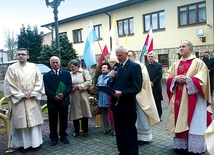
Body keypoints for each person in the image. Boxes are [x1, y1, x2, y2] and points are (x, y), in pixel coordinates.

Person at [165, 40, 212, 154]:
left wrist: (187, 80)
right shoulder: (176, 64)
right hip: (179, 99)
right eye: (180, 46)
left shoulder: (199, 63)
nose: (181, 48)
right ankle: (181, 146)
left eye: (183, 46)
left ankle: (194, 148)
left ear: (190, 49)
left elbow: (203, 80)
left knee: (194, 121)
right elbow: (168, 76)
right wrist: (175, 79)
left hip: (193, 99)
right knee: (178, 118)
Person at [3, 48, 44, 153]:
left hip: (32, 99)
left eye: (23, 54)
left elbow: (39, 80)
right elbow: (9, 84)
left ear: (28, 56)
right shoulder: (12, 68)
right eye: (19, 54)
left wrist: (33, 92)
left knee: (33, 123)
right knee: (21, 124)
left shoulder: (34, 66)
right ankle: (23, 145)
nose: (21, 56)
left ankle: (35, 143)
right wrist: (20, 95)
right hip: (19, 101)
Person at [108, 44, 142, 155]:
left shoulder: (134, 67)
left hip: (127, 106)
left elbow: (137, 87)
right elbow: (111, 84)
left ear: (127, 54)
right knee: (120, 131)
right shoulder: (117, 67)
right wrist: (111, 77)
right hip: (117, 105)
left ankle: (132, 152)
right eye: (117, 56)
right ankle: (122, 151)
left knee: (129, 131)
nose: (118, 58)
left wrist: (122, 93)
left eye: (120, 55)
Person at [128, 50, 160, 145]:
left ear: (134, 56)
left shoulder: (140, 66)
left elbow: (143, 79)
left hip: (140, 94)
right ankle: (135, 136)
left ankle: (144, 137)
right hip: (132, 95)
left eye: (129, 55)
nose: (128, 57)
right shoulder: (130, 66)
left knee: (141, 116)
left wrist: (132, 88)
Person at [43, 56, 72, 146]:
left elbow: (69, 86)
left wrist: (64, 94)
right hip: (52, 102)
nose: (55, 64)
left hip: (64, 101)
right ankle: (53, 138)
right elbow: (46, 89)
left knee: (64, 120)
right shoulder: (46, 75)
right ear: (50, 63)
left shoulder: (66, 74)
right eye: (53, 62)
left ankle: (63, 136)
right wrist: (54, 96)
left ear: (59, 63)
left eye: (56, 62)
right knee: (52, 121)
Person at [68, 59, 92, 137]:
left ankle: (85, 130)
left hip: (82, 94)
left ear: (77, 66)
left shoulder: (84, 72)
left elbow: (89, 82)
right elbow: (67, 83)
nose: (71, 69)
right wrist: (70, 88)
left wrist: (79, 87)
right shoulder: (69, 74)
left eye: (73, 67)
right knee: (75, 113)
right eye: (70, 67)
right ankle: (76, 130)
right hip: (73, 95)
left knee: (84, 112)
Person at [96, 62, 114, 135]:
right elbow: (97, 85)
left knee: (111, 114)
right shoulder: (99, 77)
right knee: (104, 114)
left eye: (104, 68)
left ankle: (113, 130)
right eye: (102, 68)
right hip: (101, 97)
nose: (103, 69)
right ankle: (107, 128)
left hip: (108, 97)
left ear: (109, 69)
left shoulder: (111, 76)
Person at [145, 51, 163, 120]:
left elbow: (160, 75)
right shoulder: (145, 66)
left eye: (151, 57)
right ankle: (151, 115)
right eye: (149, 57)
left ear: (154, 57)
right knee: (149, 101)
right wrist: (148, 82)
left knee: (157, 101)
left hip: (156, 86)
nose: (150, 58)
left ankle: (159, 115)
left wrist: (153, 82)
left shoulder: (159, 65)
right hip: (148, 86)